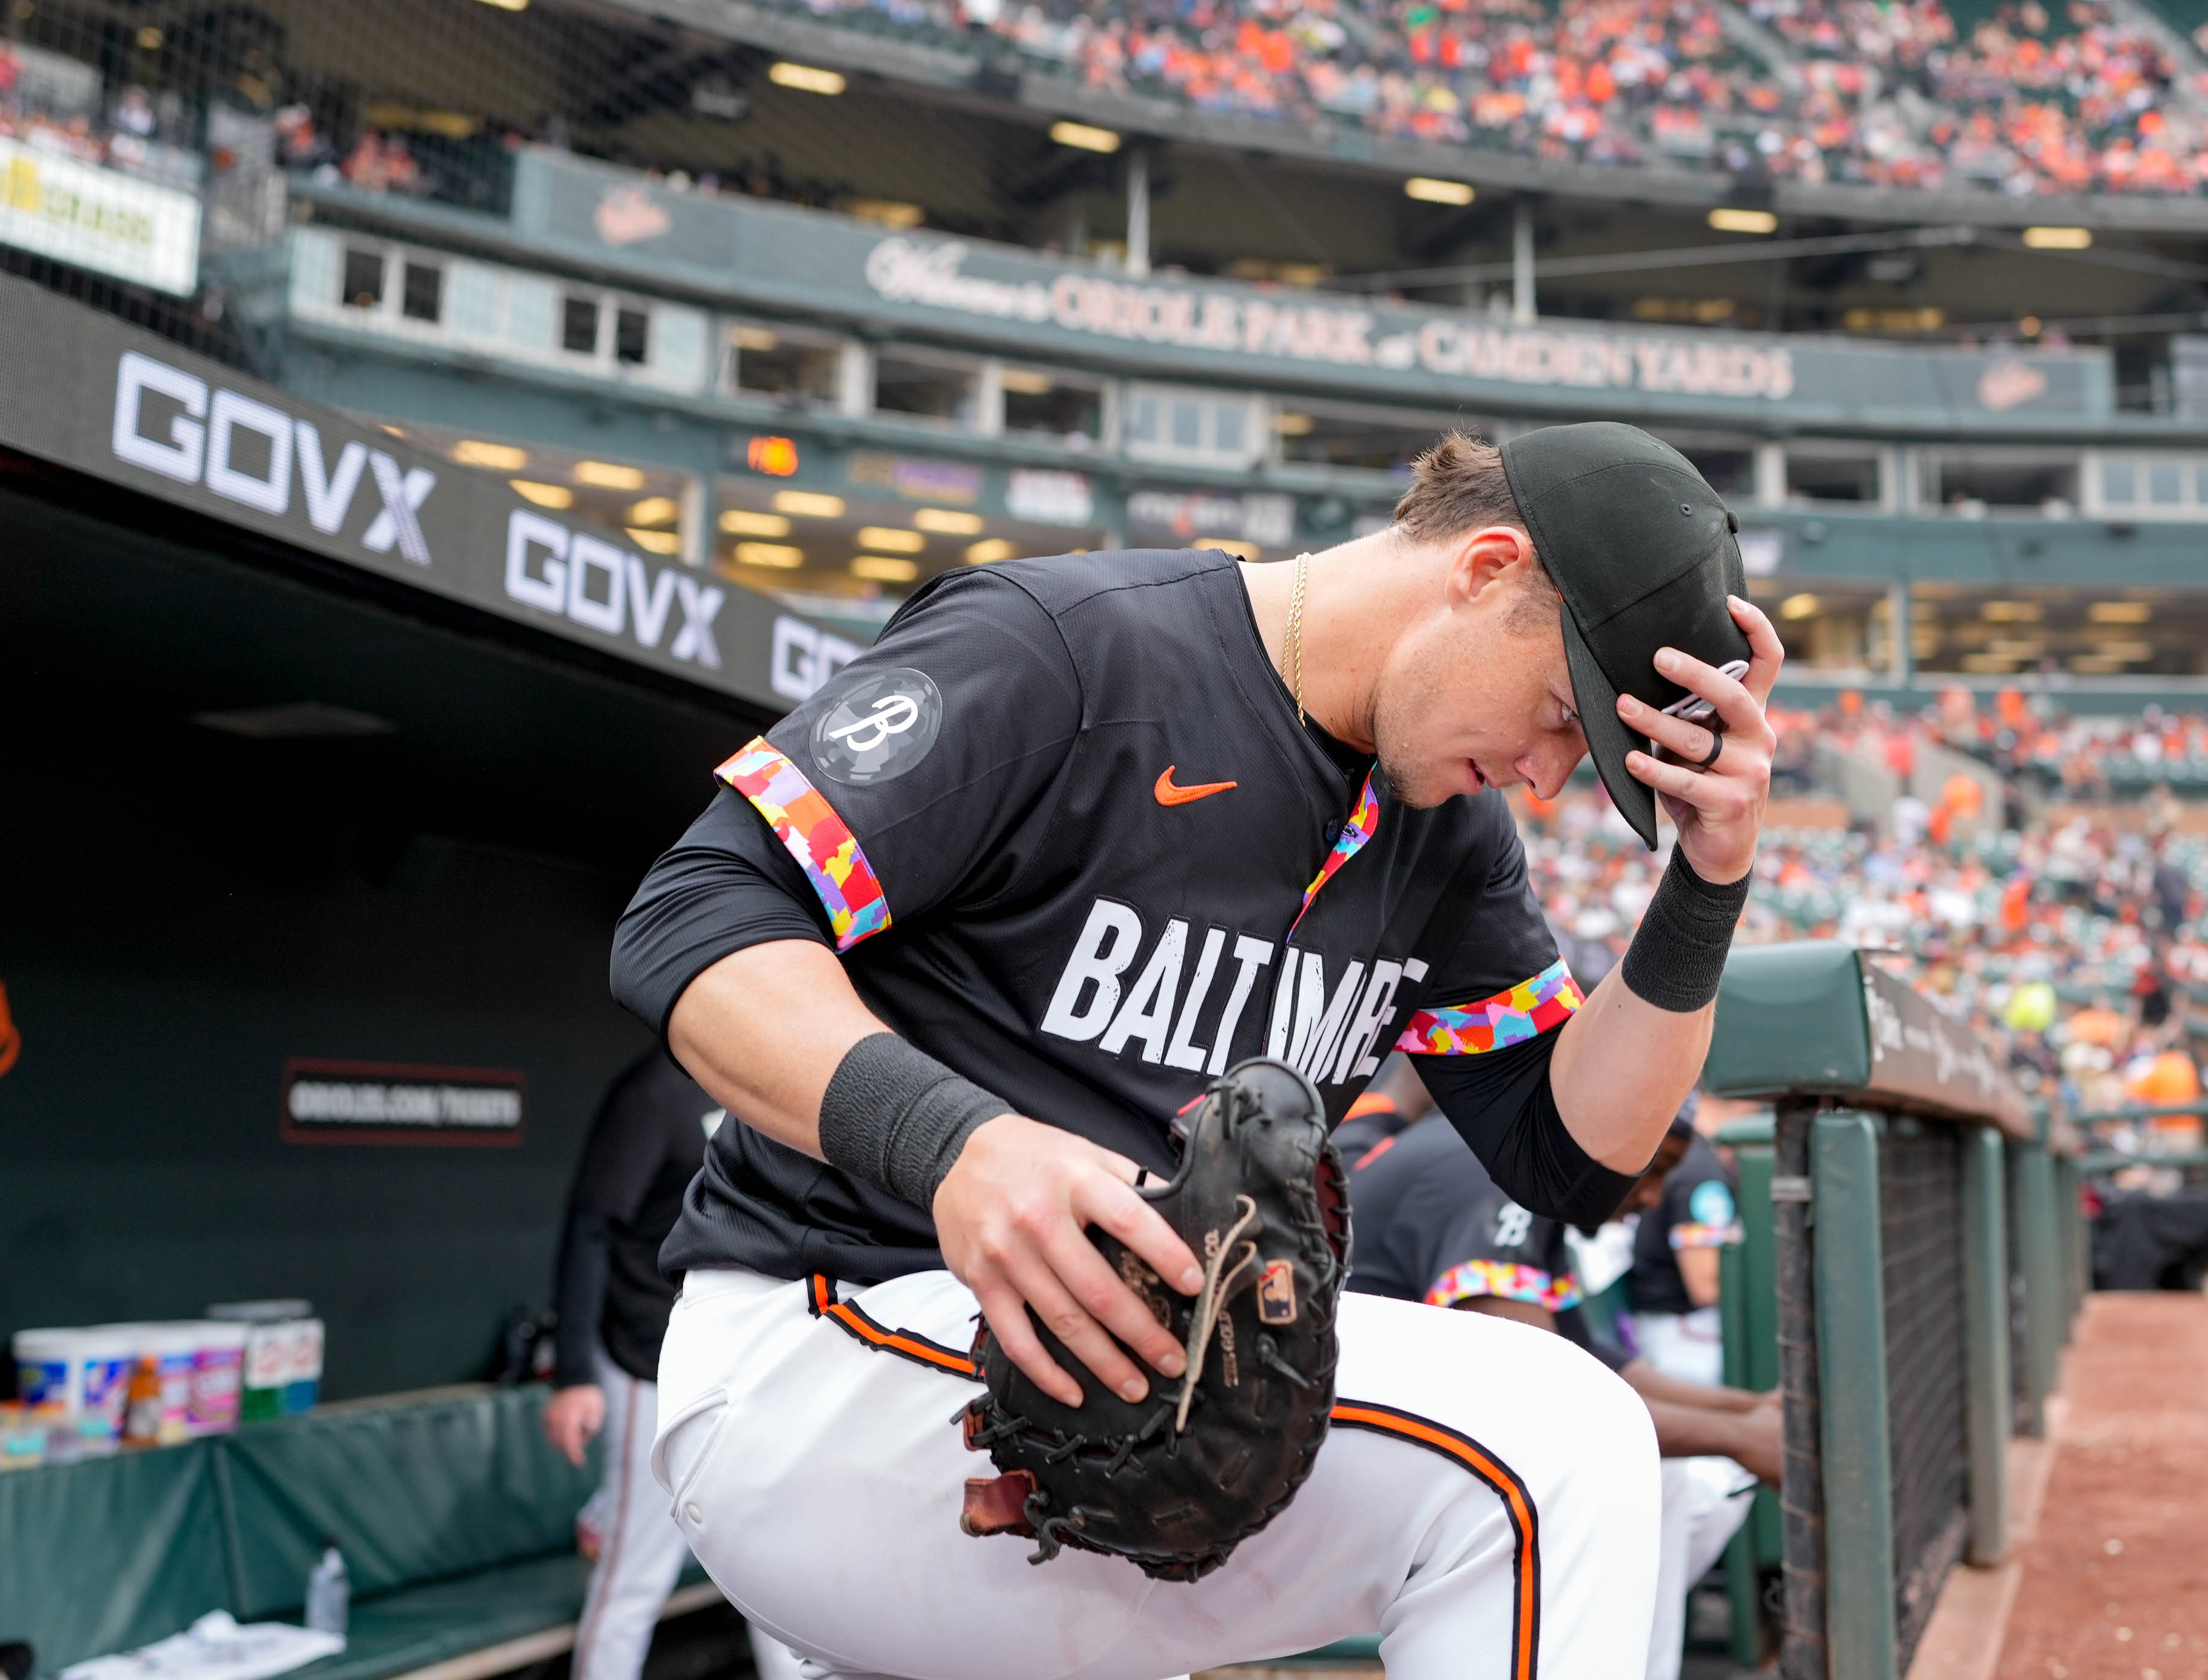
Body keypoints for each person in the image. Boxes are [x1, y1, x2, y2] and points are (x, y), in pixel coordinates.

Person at [612, 423, 1782, 1677]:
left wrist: (1705, 887)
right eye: (1560, 714)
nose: (1548, 777)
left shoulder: (1447, 833)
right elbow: (697, 913)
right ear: (1483, 567)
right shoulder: (1069, 644)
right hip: (833, 1342)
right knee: (1556, 1438)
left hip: (1124, 1396)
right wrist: (956, 1144)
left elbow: (1568, 1155)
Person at [1345, 1112, 1780, 1680]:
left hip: (1390, 1434)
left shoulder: (1524, 1169)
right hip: (1327, 1455)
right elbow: (1550, 1399)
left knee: (1671, 1482)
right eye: (1651, 1170)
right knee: (1637, 1475)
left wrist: (1752, 1413)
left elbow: (1597, 1365)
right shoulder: (1487, 1163)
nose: (1651, 1198)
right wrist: (1742, 1437)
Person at [541, 1047, 804, 1680]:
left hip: (739, 1360)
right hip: (645, 1360)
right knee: (637, 1569)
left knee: (769, 1566)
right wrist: (575, 1373)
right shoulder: (655, 1092)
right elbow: (591, 1226)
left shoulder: (766, 1081)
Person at [1627, 1095, 1743, 1386]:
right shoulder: (1700, 1169)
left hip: (1668, 1328)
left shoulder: (1693, 1156)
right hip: (1685, 1334)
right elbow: (1705, 1287)